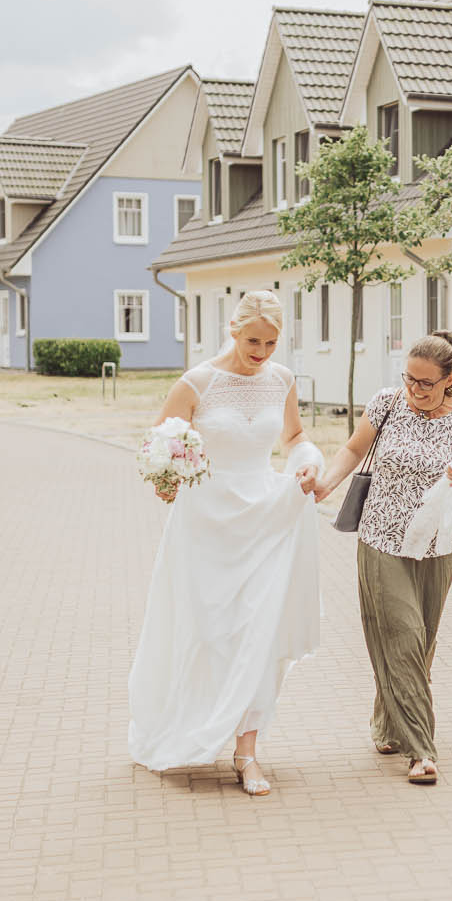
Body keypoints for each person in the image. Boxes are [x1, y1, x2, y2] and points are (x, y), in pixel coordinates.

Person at [126, 291, 323, 795]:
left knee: (256, 629)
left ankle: (247, 752)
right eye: (253, 340)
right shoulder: (197, 382)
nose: (261, 351)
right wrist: (166, 478)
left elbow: (294, 436)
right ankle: (184, 722)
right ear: (233, 330)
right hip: (205, 526)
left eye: (272, 342)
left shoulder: (282, 380)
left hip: (264, 518)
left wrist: (308, 460)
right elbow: (158, 447)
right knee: (210, 631)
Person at [315, 332, 452, 785]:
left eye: (425, 383)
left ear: (450, 378)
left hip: (438, 545)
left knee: (421, 643)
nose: (415, 390)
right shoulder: (386, 403)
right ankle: (421, 750)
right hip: (382, 539)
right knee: (402, 633)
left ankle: (387, 723)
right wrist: (324, 483)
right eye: (409, 379)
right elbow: (354, 449)